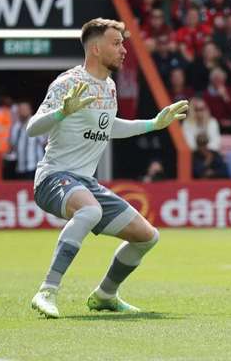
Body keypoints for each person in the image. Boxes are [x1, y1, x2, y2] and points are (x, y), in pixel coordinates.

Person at [27, 19, 189, 319]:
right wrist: (61, 113)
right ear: (97, 48)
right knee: (90, 211)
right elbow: (32, 128)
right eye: (117, 43)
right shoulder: (68, 82)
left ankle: (105, 295)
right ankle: (47, 291)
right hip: (53, 177)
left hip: (86, 183)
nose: (123, 50)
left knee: (147, 236)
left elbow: (108, 126)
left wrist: (154, 124)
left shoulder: (109, 86)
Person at [9, 101, 46, 180]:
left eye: (23, 110)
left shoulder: (36, 123)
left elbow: (45, 143)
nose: (21, 112)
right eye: (20, 110)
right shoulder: (15, 127)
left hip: (34, 166)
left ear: (29, 110)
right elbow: (12, 145)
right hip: (20, 168)